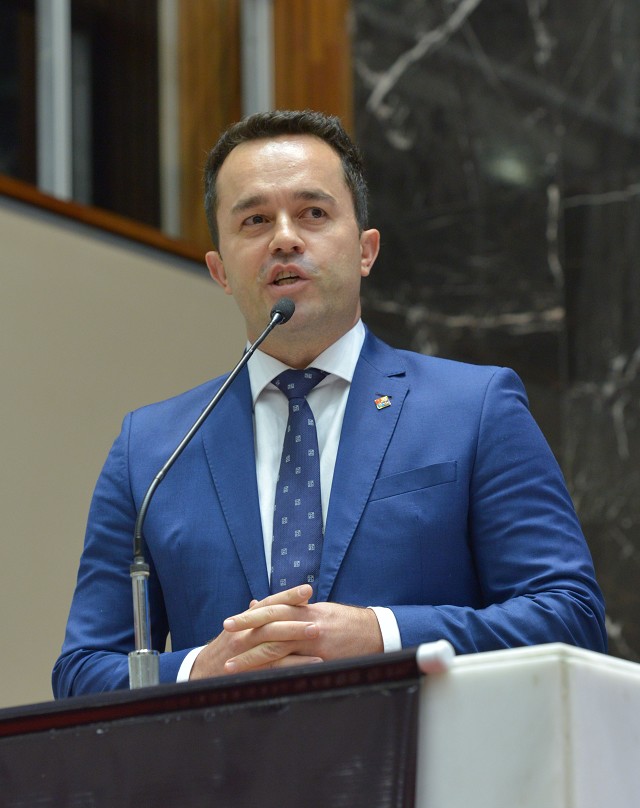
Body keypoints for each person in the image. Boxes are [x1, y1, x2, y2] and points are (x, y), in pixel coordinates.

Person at [52, 110, 606, 697]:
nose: (284, 238)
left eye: (313, 213)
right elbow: (83, 670)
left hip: (423, 750)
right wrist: (202, 668)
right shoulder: (152, 449)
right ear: (220, 270)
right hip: (228, 756)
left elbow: (569, 616)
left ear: (366, 250)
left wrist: (382, 634)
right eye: (255, 220)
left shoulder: (474, 409)